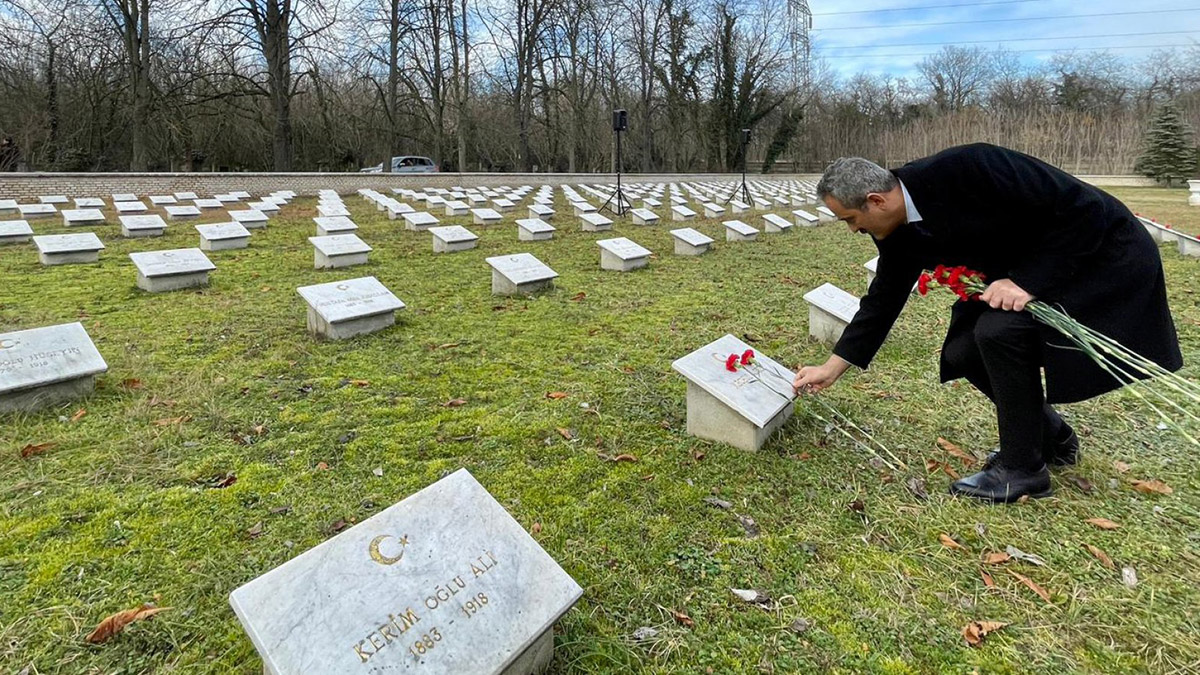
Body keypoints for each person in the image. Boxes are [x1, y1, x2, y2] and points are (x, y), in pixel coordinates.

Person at [794, 143, 1183, 503]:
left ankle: (1023, 470)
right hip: (1027, 273)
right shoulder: (895, 229)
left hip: (1099, 257)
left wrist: (1027, 282)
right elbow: (885, 294)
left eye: (850, 219)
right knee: (964, 350)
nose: (853, 230)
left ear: (875, 200)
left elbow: (1085, 210)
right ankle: (1054, 439)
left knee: (997, 332)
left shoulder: (972, 168)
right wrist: (833, 366)